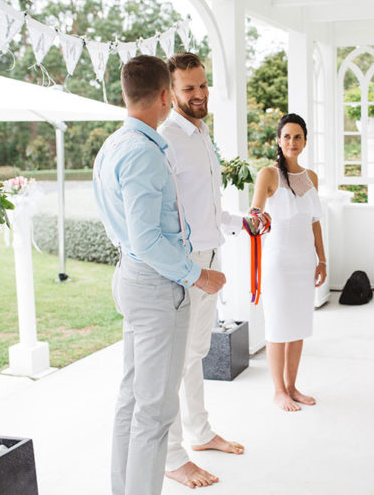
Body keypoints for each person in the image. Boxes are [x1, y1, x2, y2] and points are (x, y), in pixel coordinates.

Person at [93, 55, 226, 495]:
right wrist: (197, 276)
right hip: (156, 286)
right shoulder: (144, 153)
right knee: (153, 413)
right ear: (167, 96)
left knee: (132, 403)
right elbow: (148, 239)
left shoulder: (114, 144)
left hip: (132, 277)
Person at [158, 52, 262, 489]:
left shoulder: (201, 133)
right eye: (189, 88)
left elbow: (208, 209)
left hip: (213, 255)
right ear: (170, 91)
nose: (199, 94)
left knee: (197, 354)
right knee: (176, 361)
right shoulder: (166, 138)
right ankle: (171, 455)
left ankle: (200, 434)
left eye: (202, 85)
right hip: (188, 266)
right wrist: (193, 270)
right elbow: (167, 215)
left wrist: (243, 222)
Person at [250, 113, 327, 412]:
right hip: (278, 261)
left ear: (305, 141)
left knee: (298, 326)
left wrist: (322, 260)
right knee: (278, 326)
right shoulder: (268, 174)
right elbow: (255, 213)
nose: (292, 142)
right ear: (278, 141)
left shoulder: (312, 178)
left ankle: (293, 386)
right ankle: (278, 390)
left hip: (304, 261)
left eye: (297, 137)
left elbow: (316, 222)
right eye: (286, 137)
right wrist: (256, 215)